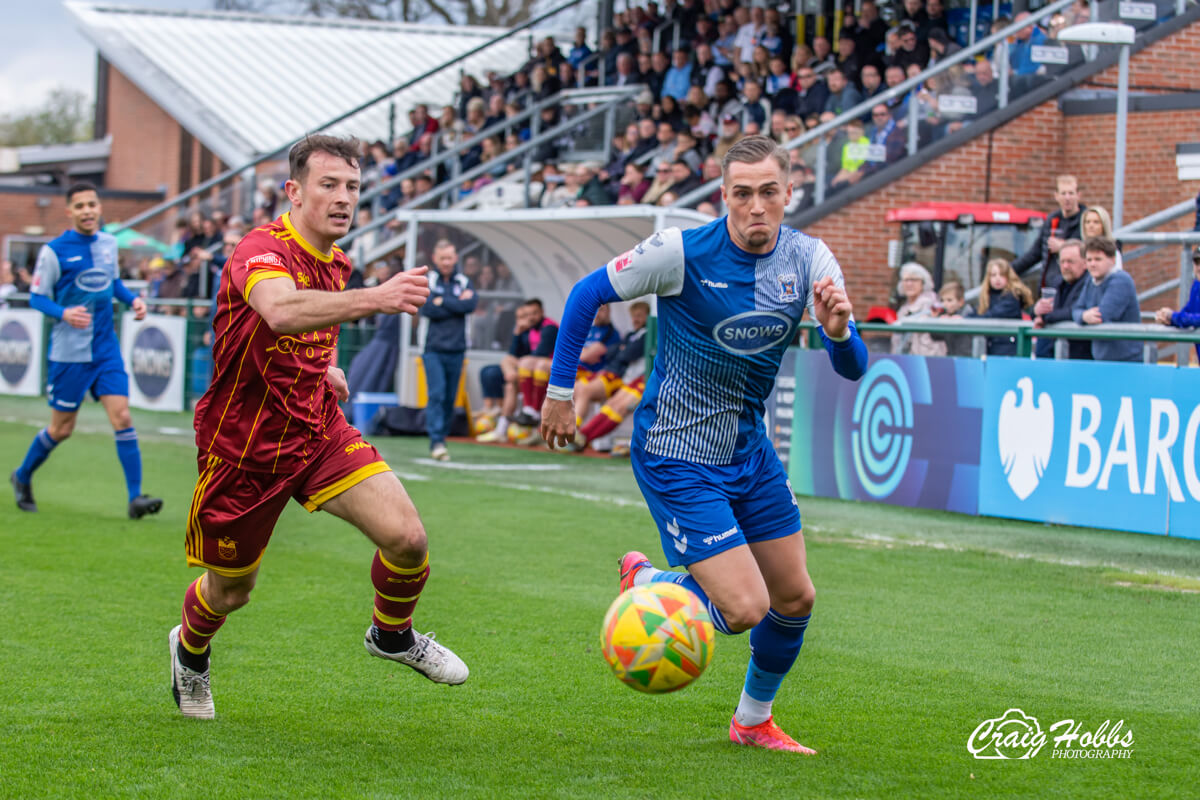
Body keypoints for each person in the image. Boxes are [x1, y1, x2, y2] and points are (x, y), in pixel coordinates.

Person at [540, 136, 868, 754]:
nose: (755, 207)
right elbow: (588, 293)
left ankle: (751, 723)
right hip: (677, 453)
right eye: (741, 194)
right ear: (723, 196)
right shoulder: (679, 251)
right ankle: (653, 583)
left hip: (749, 452)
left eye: (768, 192)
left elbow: (853, 367)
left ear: (788, 193)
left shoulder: (811, 259)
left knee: (794, 597)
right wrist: (561, 391)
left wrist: (839, 331)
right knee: (745, 608)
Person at [171, 135, 468, 720]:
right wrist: (376, 298)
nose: (343, 198)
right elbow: (280, 309)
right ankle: (190, 652)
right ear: (295, 191)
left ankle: (392, 635)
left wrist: (323, 367)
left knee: (408, 539)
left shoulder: (336, 261)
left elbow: (296, 332)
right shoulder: (259, 250)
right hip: (245, 449)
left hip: (316, 429)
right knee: (232, 591)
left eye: (352, 187)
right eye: (328, 185)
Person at [11, 182, 162, 518]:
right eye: (79, 206)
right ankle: (22, 476)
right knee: (62, 428)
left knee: (122, 417)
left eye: (91, 204)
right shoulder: (55, 251)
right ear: (69, 212)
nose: (87, 211)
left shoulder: (108, 244)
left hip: (105, 349)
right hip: (69, 354)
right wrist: (62, 313)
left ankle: (135, 498)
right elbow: (37, 297)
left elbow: (113, 284)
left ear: (99, 207)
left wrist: (133, 299)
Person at [420, 239, 477, 462]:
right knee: (437, 393)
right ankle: (436, 440)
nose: (446, 262)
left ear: (455, 258)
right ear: (435, 258)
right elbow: (427, 308)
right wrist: (455, 304)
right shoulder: (429, 279)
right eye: (442, 258)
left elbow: (470, 306)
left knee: (450, 397)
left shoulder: (464, 281)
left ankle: (441, 438)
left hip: (458, 348)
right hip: (432, 348)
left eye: (450, 258)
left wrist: (443, 301)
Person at [475, 298, 558, 443]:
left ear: (542, 312)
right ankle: (501, 430)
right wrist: (517, 333)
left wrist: (519, 363)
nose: (530, 318)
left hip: (548, 372)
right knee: (509, 381)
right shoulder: (530, 329)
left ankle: (530, 411)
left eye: (534, 313)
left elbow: (540, 354)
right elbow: (513, 353)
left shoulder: (549, 328)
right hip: (530, 372)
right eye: (527, 315)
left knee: (520, 365)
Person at [1072, 236, 1141, 362]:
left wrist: (1083, 316)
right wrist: (1083, 316)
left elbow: (1102, 315)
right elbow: (1076, 309)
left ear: (1113, 260)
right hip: (1101, 357)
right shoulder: (1090, 281)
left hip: (1126, 360)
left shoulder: (1121, 280)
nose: (1092, 264)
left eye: (1098, 259)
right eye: (1089, 260)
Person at [1032, 238, 1092, 360]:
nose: (1065, 266)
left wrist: (1045, 317)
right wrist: (1037, 310)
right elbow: (1044, 312)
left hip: (1078, 357)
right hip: (1050, 355)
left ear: (1085, 263)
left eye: (1070, 262)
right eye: (1062, 261)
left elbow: (1073, 312)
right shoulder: (1056, 281)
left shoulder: (1090, 283)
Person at [971, 258, 1032, 356]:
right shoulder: (987, 297)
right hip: (991, 348)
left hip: (1009, 349)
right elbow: (977, 312)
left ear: (1009, 276)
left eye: (1002, 274)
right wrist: (960, 318)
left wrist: (969, 319)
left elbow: (992, 315)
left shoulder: (1013, 298)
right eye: (993, 275)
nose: (997, 278)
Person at [1155, 245, 1200, 364]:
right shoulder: (1196, 285)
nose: (1199, 267)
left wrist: (1173, 317)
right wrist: (1169, 318)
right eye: (1197, 262)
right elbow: (1188, 311)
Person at [890, 262, 946, 357]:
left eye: (914, 280)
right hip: (904, 359)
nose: (909, 284)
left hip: (926, 359)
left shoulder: (929, 303)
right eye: (906, 280)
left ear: (923, 283)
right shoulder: (904, 308)